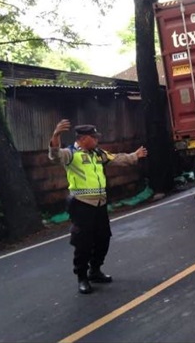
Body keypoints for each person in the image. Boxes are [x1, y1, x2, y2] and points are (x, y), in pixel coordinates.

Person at [48, 119, 148, 294]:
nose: (97, 140)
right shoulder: (71, 154)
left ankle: (95, 270)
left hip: (100, 204)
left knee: (103, 238)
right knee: (83, 243)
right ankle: (82, 277)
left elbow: (116, 158)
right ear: (84, 138)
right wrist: (56, 135)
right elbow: (55, 155)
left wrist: (134, 156)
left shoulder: (97, 154)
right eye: (94, 137)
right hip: (82, 205)